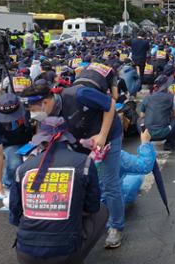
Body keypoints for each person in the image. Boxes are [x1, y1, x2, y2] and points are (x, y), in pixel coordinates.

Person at [20, 80, 124, 249]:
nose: (32, 115)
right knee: (80, 180)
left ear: (45, 103)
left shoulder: (78, 94)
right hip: (78, 140)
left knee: (108, 183)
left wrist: (102, 135)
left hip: (107, 136)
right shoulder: (45, 113)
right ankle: (83, 218)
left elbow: (110, 104)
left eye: (33, 111)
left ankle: (115, 227)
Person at [9, 117, 108, 263]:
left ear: (40, 141)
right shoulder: (84, 162)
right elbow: (92, 206)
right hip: (64, 252)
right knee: (102, 211)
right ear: (66, 138)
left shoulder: (23, 169)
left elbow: (15, 216)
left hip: (25, 252)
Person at [0, 94, 33, 199]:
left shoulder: (29, 110)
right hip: (10, 143)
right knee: (14, 164)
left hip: (33, 139)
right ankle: (7, 185)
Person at [138, 75, 175, 151]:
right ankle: (170, 144)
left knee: (139, 120)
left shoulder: (147, 97)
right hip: (164, 132)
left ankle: (145, 142)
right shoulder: (171, 97)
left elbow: (142, 115)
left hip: (148, 132)